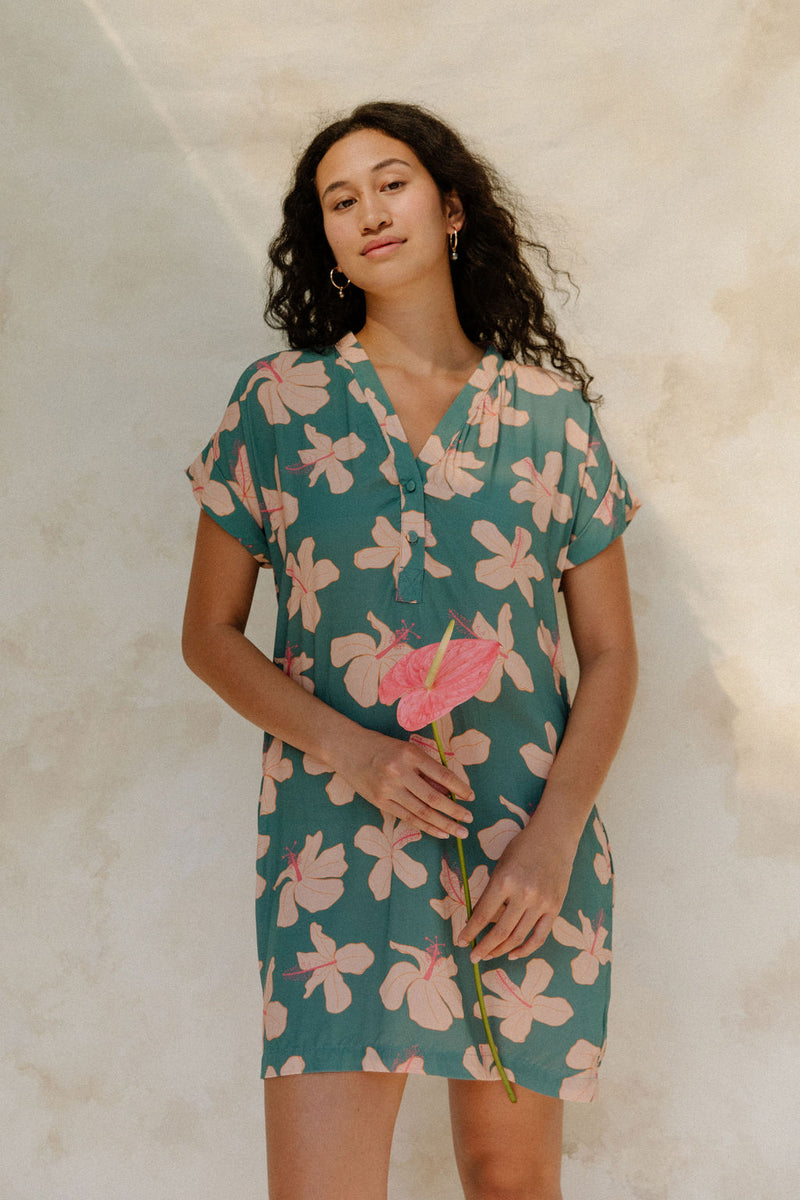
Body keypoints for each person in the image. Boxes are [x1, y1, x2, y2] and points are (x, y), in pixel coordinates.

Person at [182, 100, 638, 1200]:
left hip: (522, 854)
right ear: (324, 241)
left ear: (449, 210)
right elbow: (207, 635)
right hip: (332, 850)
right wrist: (352, 751)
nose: (366, 212)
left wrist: (551, 840)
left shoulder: (549, 416)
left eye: (390, 183)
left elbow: (611, 655)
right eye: (338, 201)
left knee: (507, 1183)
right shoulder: (277, 403)